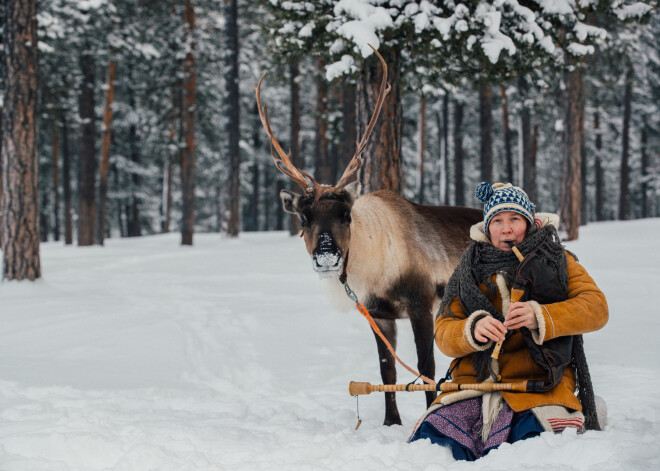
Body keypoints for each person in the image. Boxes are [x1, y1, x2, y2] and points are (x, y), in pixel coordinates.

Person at [409, 182, 608, 461]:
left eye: (515, 219)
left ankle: (579, 411)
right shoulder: (468, 270)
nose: (506, 229)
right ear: (487, 228)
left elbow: (596, 308)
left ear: (530, 222)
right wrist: (472, 330)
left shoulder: (558, 261)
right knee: (434, 442)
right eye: (498, 221)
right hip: (474, 386)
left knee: (532, 449)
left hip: (539, 383)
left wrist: (541, 316)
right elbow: (443, 333)